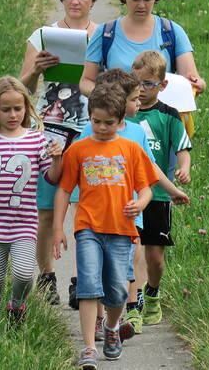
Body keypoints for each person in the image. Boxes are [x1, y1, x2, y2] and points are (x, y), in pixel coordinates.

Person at [69, 69, 189, 337]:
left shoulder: (135, 133)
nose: (139, 102)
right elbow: (76, 165)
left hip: (128, 211)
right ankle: (102, 318)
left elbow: (152, 169)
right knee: (99, 268)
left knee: (126, 265)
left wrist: (171, 191)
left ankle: (128, 311)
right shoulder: (91, 128)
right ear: (119, 102)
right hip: (96, 211)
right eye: (134, 99)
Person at [52, 84, 158, 369]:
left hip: (122, 231)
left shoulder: (131, 149)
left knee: (117, 291)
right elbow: (64, 189)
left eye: (108, 123)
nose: (101, 127)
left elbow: (146, 187)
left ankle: (111, 328)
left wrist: (141, 204)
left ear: (121, 120)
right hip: (88, 227)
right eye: (96, 121)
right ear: (89, 117)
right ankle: (88, 346)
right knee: (88, 285)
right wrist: (59, 228)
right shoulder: (79, 150)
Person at [19, 0, 101, 304]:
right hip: (48, 127)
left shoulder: (101, 34)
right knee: (46, 208)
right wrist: (36, 69)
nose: (74, 1)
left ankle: (79, 279)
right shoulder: (42, 35)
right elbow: (20, 90)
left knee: (86, 207)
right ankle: (47, 275)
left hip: (89, 126)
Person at [0, 76, 63, 324]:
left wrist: (58, 158)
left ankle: (16, 306)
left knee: (24, 275)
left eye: (18, 108)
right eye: (5, 109)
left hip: (24, 224)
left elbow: (51, 177)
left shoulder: (36, 139)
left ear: (27, 109)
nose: (12, 114)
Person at [78, 0, 207, 136]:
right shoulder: (105, 33)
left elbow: (189, 78)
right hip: (117, 125)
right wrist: (111, 99)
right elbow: (86, 81)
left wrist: (197, 84)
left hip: (162, 126)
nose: (141, 5)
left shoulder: (172, 31)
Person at [129, 51, 192, 326]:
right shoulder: (124, 112)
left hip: (159, 194)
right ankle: (134, 305)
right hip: (129, 194)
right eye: (137, 82)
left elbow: (183, 147)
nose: (142, 90)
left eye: (149, 84)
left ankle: (152, 293)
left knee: (155, 258)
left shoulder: (169, 115)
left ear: (162, 85)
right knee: (134, 251)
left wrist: (184, 168)